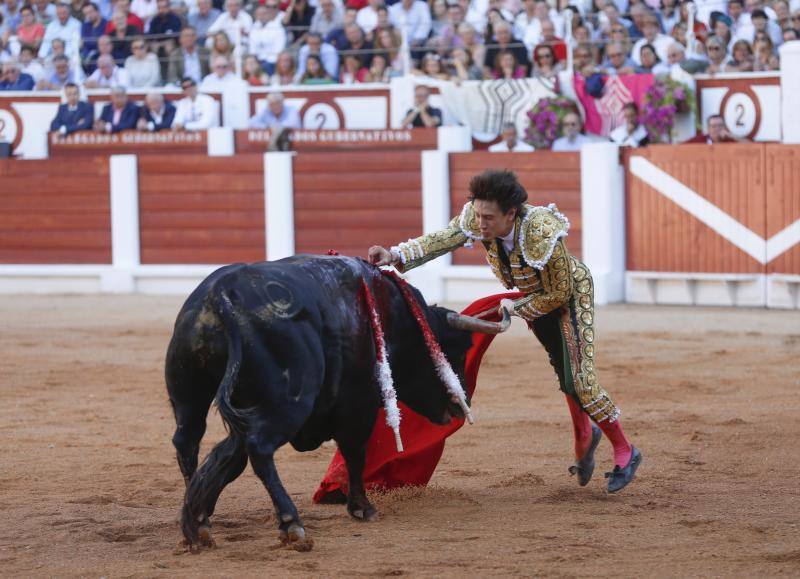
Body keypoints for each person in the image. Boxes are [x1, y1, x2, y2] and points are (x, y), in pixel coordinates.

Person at [368, 169, 642, 492]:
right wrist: (395, 255)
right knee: (563, 370)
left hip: (568, 296)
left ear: (511, 214)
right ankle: (585, 435)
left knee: (581, 380)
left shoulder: (540, 231)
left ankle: (626, 450)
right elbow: (443, 239)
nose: (480, 224)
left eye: (488, 218)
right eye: (479, 215)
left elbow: (559, 291)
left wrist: (517, 308)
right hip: (528, 297)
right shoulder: (478, 216)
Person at [249, 2, 286, 76]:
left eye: (264, 14)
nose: (262, 16)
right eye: (259, 14)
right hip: (257, 60)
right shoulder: (254, 27)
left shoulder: (277, 27)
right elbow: (252, 47)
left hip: (272, 59)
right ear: (256, 16)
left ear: (269, 14)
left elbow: (279, 48)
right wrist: (255, 60)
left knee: (266, 66)